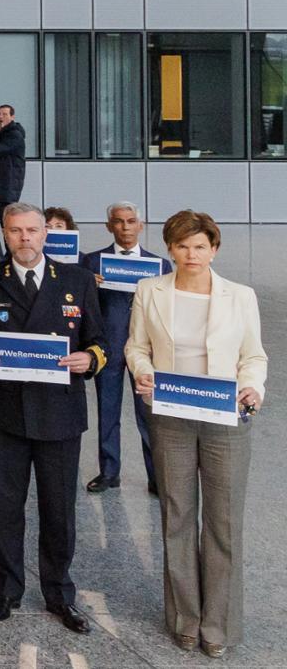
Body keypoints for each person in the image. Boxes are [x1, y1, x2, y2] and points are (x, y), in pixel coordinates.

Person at [124, 210, 265, 659]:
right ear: (169, 248)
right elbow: (136, 347)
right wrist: (143, 373)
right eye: (182, 246)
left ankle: (217, 624)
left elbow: (253, 355)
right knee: (178, 517)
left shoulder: (240, 296)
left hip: (225, 418)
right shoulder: (150, 291)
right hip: (171, 416)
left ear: (214, 249)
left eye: (200, 246)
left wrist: (252, 387)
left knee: (223, 524)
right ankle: (186, 618)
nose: (191, 254)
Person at [0, 203, 106, 633]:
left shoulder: (77, 281)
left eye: (32, 231)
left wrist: (89, 358)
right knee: (6, 508)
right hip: (7, 411)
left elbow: (100, 341)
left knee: (58, 510)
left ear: (46, 234)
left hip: (60, 412)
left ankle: (60, 593)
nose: (24, 238)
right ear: (4, 234)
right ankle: (7, 589)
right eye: (16, 231)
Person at [79, 201, 170, 494]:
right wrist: (87, 286)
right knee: (108, 410)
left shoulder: (160, 266)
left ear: (140, 225)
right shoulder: (91, 264)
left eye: (131, 221)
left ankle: (157, 476)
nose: (125, 227)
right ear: (109, 226)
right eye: (118, 222)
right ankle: (109, 472)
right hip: (108, 346)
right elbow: (79, 306)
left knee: (149, 414)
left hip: (146, 350)